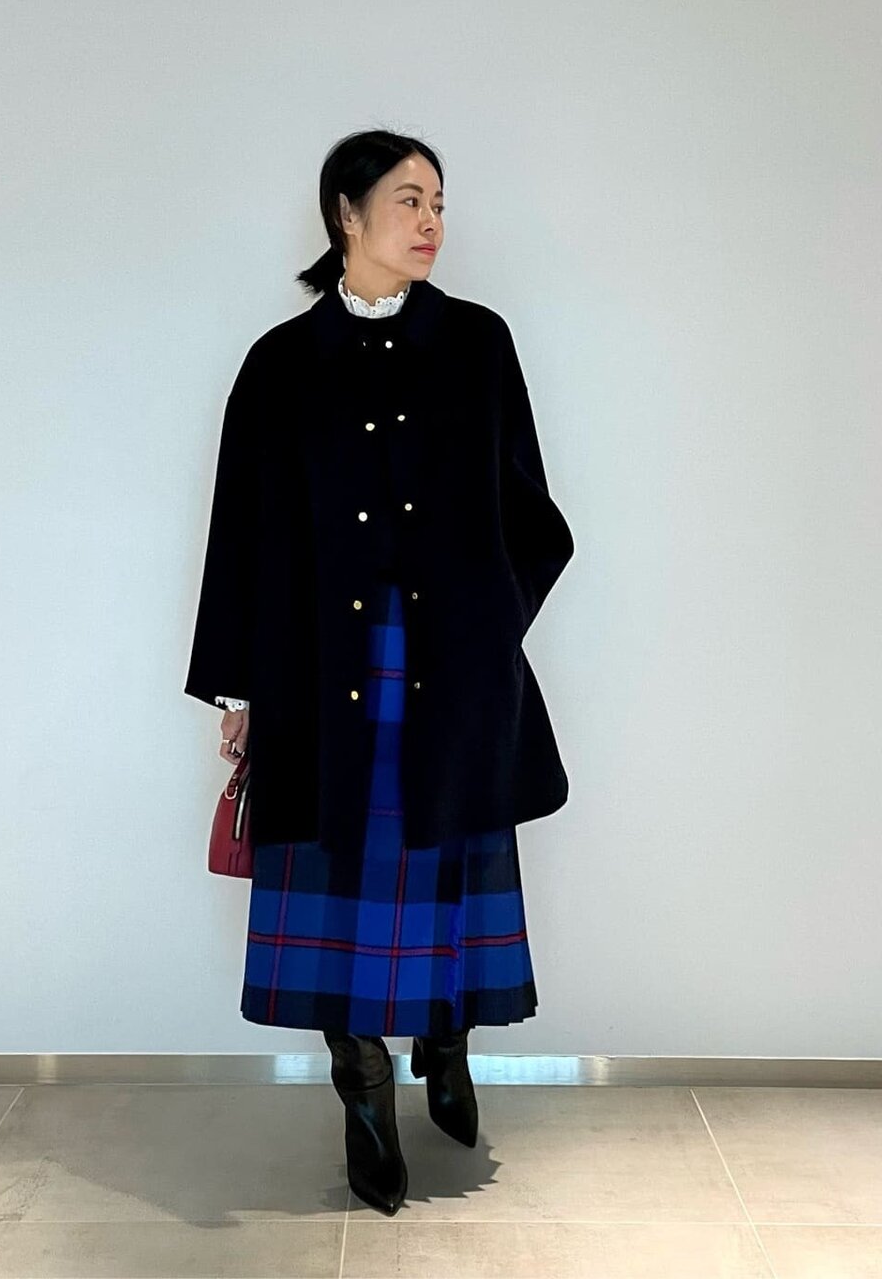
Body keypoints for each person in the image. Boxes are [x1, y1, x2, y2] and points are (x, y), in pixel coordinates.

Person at [185, 128, 575, 1216]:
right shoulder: (279, 364)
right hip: (317, 673)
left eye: (439, 202)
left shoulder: (479, 345)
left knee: (444, 860)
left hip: (451, 672)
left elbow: (533, 515)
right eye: (409, 200)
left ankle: (447, 1038)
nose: (431, 220)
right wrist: (239, 687)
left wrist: (490, 621)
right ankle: (360, 1084)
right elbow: (240, 535)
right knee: (337, 874)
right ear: (345, 214)